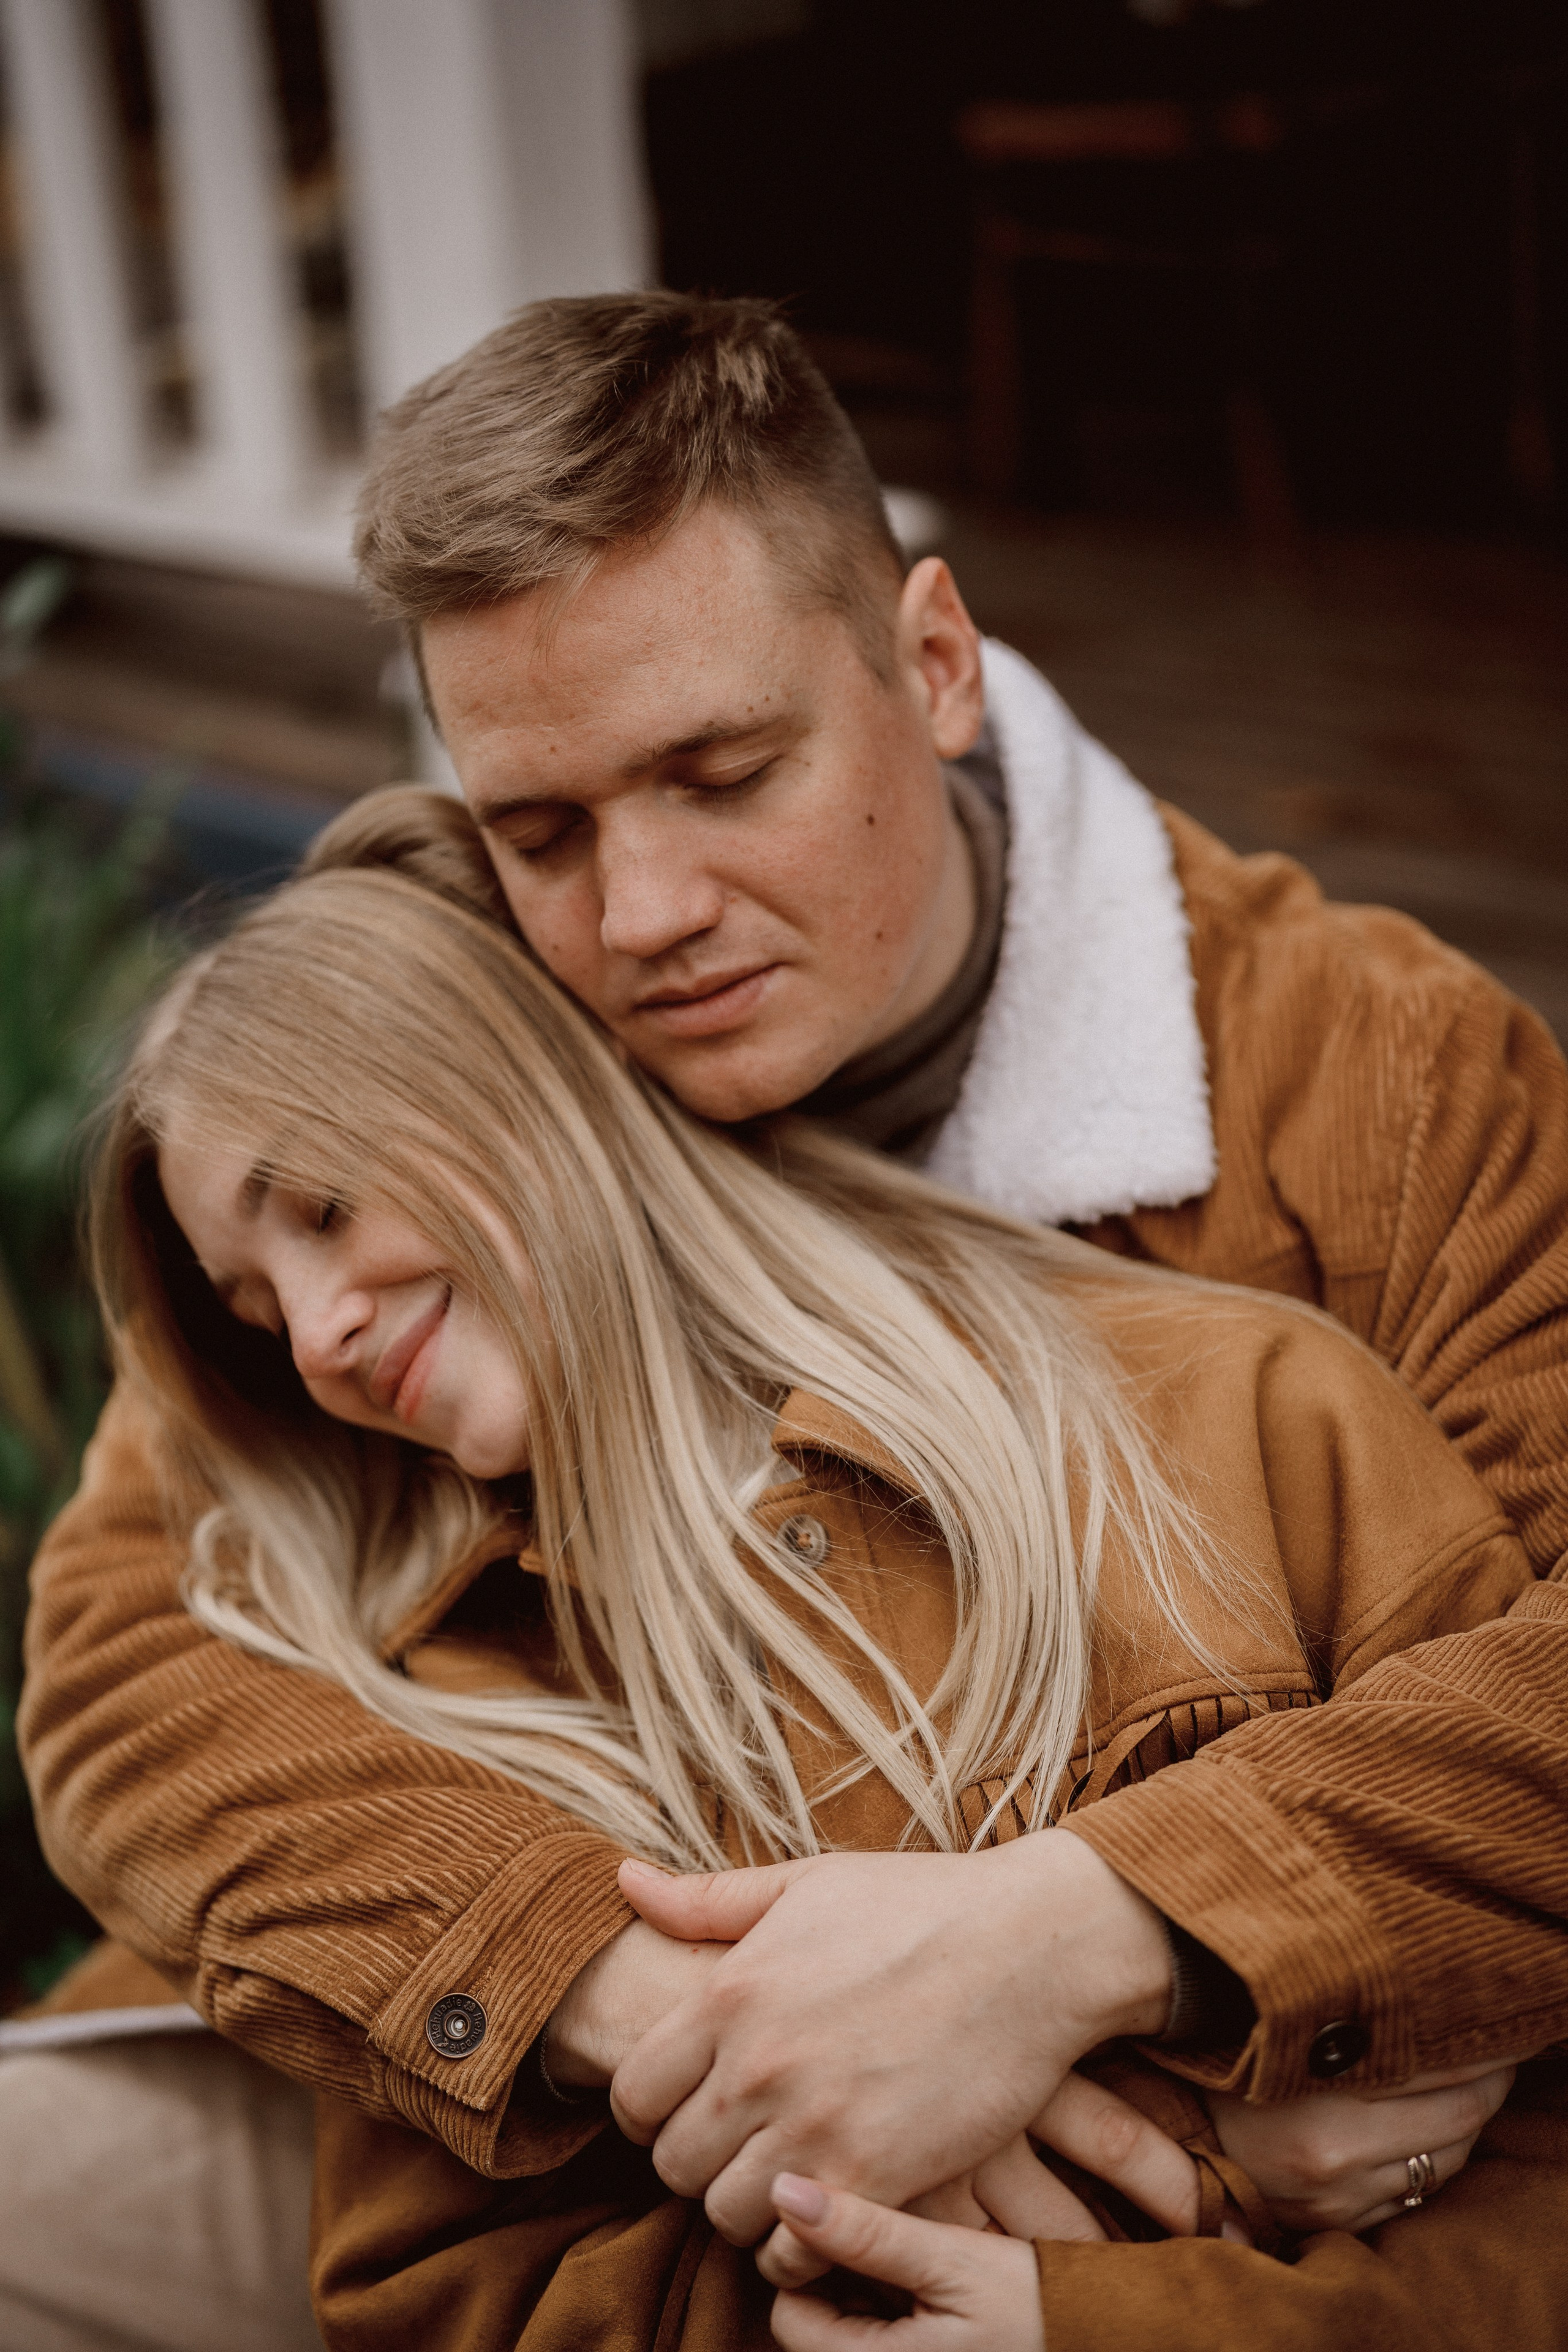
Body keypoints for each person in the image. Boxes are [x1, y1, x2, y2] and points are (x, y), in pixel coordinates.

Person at [17, 292, 1568, 2327]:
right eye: (544, 825)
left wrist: (1089, 1936)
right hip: (493, 2097)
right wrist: (635, 1997)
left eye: (726, 772)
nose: (640, 915)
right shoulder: (473, 1000)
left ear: (931, 663)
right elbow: (130, 1663)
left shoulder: (1368, 1079)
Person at [83, 858, 1568, 2350]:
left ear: (526, 1090)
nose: (321, 1334)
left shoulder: (1234, 1410)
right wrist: (847, 2266)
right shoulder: (449, 1706)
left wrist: (1116, 2304)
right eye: (258, 1310)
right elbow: (444, 2301)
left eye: (327, 1211)